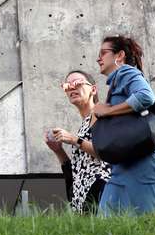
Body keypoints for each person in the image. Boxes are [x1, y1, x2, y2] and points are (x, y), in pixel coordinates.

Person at [92, 35, 155, 216]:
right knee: (107, 223)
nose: (99, 58)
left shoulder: (127, 72)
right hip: (125, 166)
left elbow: (145, 96)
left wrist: (108, 111)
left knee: (153, 224)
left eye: (103, 53)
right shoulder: (117, 81)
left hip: (144, 165)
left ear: (119, 56)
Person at [45, 70, 111, 214]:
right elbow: (77, 171)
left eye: (77, 83)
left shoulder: (101, 114)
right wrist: (58, 150)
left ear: (93, 89)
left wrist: (74, 139)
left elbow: (107, 152)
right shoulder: (84, 125)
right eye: (67, 86)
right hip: (83, 198)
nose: (71, 88)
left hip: (100, 189)